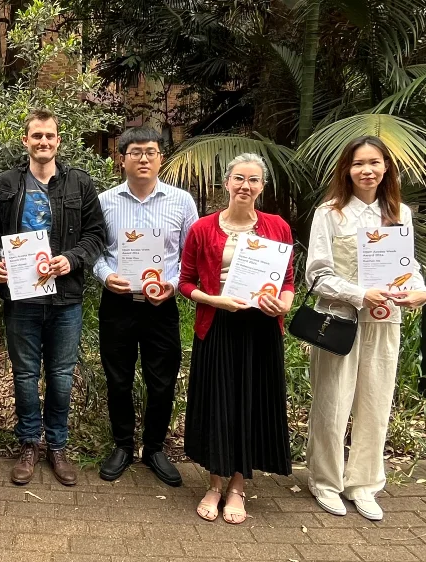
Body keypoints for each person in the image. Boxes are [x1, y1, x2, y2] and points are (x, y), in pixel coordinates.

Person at [305, 136, 426, 521]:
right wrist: (360, 294)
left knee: (375, 404)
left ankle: (365, 484)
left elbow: (409, 269)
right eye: (358, 163)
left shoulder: (399, 213)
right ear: (347, 169)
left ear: (387, 167)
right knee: (332, 402)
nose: (367, 170)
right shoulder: (330, 213)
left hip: (385, 321)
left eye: (374, 162)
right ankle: (325, 481)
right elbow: (317, 275)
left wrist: (420, 290)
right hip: (339, 321)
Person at [0, 109, 107, 486]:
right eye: (36, 136)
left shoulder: (79, 184)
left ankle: (56, 445)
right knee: (24, 375)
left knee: (60, 376)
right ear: (26, 141)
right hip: (21, 298)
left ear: (58, 141)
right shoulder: (6, 183)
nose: (43, 142)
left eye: (49, 136)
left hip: (65, 298)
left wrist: (71, 260)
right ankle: (28, 444)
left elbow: (97, 234)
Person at [178, 153, 295, 524]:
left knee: (249, 404)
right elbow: (185, 282)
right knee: (218, 404)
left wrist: (284, 305)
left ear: (262, 187)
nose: (246, 186)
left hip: (261, 329)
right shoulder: (202, 228)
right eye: (239, 178)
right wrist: (214, 299)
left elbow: (288, 281)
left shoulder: (278, 227)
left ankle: (238, 487)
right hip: (217, 324)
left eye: (254, 180)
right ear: (227, 183)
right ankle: (214, 483)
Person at [93, 126, 198, 486]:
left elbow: (192, 255)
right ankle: (122, 445)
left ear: (160, 158)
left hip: (160, 306)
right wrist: (107, 276)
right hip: (118, 303)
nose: (143, 158)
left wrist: (173, 283)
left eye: (150, 152)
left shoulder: (182, 201)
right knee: (118, 379)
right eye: (135, 152)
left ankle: (154, 448)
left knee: (162, 381)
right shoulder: (105, 201)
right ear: (122, 159)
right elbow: (95, 252)